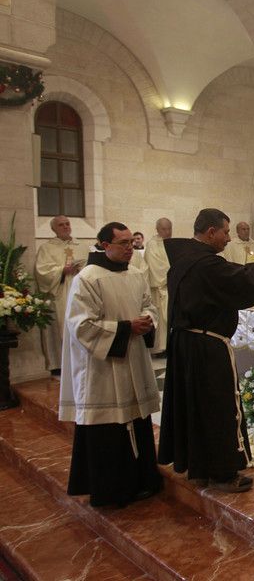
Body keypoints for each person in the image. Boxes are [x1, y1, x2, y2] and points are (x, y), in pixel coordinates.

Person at [158, 208, 254, 492]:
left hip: (188, 345)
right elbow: (239, 281)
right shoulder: (204, 265)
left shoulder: (187, 260)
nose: (228, 238)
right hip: (207, 347)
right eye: (225, 232)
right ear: (211, 232)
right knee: (218, 408)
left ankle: (201, 467)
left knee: (197, 408)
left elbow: (234, 273)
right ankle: (223, 473)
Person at [59, 222, 161, 507]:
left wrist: (148, 320)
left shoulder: (136, 274)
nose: (130, 248)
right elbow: (81, 325)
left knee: (136, 422)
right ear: (105, 245)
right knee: (108, 431)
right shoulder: (88, 278)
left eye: (131, 243)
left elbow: (149, 305)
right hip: (103, 368)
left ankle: (143, 480)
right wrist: (126, 327)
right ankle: (112, 491)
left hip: (133, 359)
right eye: (123, 244)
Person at [35, 215, 88, 375]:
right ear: (54, 229)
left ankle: (83, 359)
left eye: (67, 224)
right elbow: (42, 271)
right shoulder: (46, 248)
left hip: (81, 291)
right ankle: (60, 364)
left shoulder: (82, 245)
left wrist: (81, 268)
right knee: (60, 326)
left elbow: (92, 266)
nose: (65, 227)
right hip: (59, 292)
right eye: (61, 225)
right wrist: (61, 270)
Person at [144, 217, 172, 357]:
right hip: (160, 288)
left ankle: (171, 345)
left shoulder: (173, 243)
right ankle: (161, 349)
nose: (167, 232)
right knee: (161, 321)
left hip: (171, 287)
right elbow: (156, 267)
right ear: (157, 229)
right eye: (164, 229)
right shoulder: (152, 245)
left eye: (169, 228)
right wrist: (172, 272)